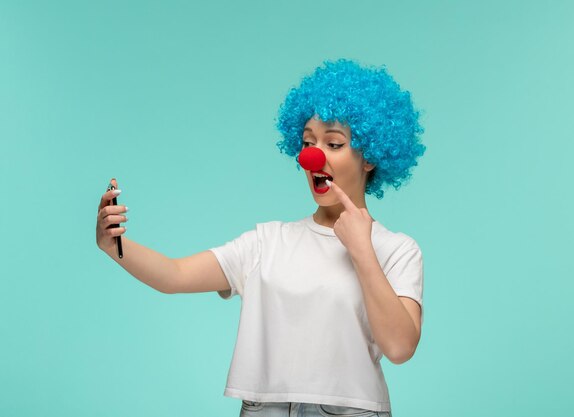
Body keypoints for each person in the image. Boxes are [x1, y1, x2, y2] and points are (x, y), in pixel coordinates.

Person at [96, 59, 426, 417]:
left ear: (370, 158)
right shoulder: (266, 242)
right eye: (307, 142)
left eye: (333, 143)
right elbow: (174, 275)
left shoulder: (397, 250)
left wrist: (362, 249)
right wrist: (114, 246)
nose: (313, 156)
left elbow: (399, 347)